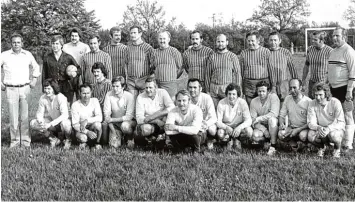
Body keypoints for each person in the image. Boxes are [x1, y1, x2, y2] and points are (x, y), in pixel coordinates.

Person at [1, 33, 41, 148]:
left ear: (22, 43)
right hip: (11, 89)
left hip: (25, 88)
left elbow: (36, 67)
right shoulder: (5, 55)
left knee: (24, 117)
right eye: (14, 42)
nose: (16, 44)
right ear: (11, 43)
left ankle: (25, 142)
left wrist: (34, 80)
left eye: (18, 42)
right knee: (13, 118)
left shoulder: (27, 54)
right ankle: (14, 142)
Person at [327, 27, 355, 151]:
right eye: (333, 35)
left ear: (344, 36)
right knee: (335, 115)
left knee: (348, 114)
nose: (334, 38)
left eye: (337, 36)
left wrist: (349, 90)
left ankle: (348, 144)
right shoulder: (333, 51)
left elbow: (353, 73)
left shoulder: (349, 51)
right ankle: (335, 140)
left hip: (345, 88)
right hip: (333, 89)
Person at [30, 79, 72, 149]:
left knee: (66, 123)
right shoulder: (43, 98)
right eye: (45, 88)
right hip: (51, 122)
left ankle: (68, 139)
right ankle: (53, 138)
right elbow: (39, 113)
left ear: (54, 88)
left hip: (61, 123)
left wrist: (51, 124)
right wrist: (40, 121)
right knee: (33, 123)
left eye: (49, 88)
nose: (46, 91)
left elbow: (65, 115)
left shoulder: (60, 97)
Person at [307, 82, 345, 158]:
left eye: (320, 95)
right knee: (310, 136)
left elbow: (340, 122)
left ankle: (337, 149)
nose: (317, 97)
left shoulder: (335, 102)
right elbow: (311, 122)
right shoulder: (312, 103)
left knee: (334, 135)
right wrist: (318, 127)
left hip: (334, 129)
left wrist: (329, 128)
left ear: (326, 94)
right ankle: (322, 147)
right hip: (320, 128)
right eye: (316, 95)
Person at [135, 78, 175, 146]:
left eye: (150, 87)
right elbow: (139, 119)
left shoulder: (162, 92)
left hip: (163, 120)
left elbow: (172, 107)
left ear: (156, 87)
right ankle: (150, 139)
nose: (148, 90)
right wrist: (155, 120)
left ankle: (168, 139)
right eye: (146, 87)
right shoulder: (140, 97)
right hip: (150, 123)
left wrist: (156, 115)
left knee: (169, 117)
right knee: (145, 129)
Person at [205, 34, 242, 107]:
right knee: (214, 112)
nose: (220, 44)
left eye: (222, 41)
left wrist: (237, 90)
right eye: (218, 41)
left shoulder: (232, 56)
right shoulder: (212, 57)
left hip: (227, 88)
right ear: (216, 42)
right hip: (214, 89)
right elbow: (208, 74)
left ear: (227, 42)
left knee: (227, 111)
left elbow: (237, 74)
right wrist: (207, 91)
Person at [42, 34, 80, 104]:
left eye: (57, 43)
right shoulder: (47, 58)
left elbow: (78, 69)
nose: (55, 46)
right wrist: (44, 87)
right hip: (53, 86)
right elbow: (44, 74)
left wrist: (75, 73)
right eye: (53, 43)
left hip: (66, 87)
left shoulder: (68, 57)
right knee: (54, 108)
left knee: (67, 107)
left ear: (61, 45)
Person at [216, 83, 253, 150]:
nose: (231, 96)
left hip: (239, 127)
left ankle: (238, 140)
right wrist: (226, 127)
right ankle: (229, 141)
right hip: (227, 127)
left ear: (238, 95)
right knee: (220, 133)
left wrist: (239, 127)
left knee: (249, 132)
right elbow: (218, 122)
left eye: (233, 94)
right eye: (229, 94)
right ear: (226, 94)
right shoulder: (221, 103)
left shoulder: (242, 103)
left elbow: (249, 120)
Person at [278, 79, 312, 151]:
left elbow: (310, 122)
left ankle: (307, 145)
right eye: (290, 88)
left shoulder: (308, 101)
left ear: (300, 88)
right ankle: (294, 145)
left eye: (294, 87)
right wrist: (282, 124)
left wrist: (298, 129)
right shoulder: (287, 98)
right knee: (281, 134)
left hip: (304, 128)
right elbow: (281, 115)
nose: (292, 90)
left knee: (303, 136)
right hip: (291, 127)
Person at [240, 31, 272, 105]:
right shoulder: (243, 53)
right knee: (251, 106)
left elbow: (271, 70)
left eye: (252, 41)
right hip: (249, 84)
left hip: (263, 82)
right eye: (248, 41)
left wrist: (272, 85)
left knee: (264, 106)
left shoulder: (266, 51)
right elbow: (240, 72)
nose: (250, 43)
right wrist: (241, 87)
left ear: (258, 41)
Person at [103, 76, 136, 148]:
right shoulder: (108, 94)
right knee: (114, 145)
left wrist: (112, 119)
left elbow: (129, 116)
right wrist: (114, 132)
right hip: (114, 125)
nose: (115, 89)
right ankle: (119, 136)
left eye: (117, 86)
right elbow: (107, 115)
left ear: (123, 86)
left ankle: (129, 137)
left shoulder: (129, 96)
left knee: (125, 126)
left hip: (128, 123)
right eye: (113, 86)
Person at [250, 80, 280, 156]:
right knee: (255, 136)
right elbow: (253, 120)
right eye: (259, 91)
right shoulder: (253, 101)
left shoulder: (273, 97)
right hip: (262, 126)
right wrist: (264, 130)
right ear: (256, 91)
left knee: (272, 120)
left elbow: (274, 114)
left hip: (274, 124)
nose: (261, 93)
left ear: (268, 91)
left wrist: (258, 118)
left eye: (263, 91)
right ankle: (266, 142)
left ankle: (273, 146)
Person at [151, 31, 183, 99]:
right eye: (160, 39)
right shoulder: (154, 52)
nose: (162, 41)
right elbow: (153, 68)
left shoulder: (174, 51)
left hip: (170, 85)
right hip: (158, 84)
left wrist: (172, 78)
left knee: (171, 105)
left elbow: (180, 68)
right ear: (158, 39)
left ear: (168, 39)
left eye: (164, 39)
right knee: (160, 104)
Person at [125, 25, 154, 100]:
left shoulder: (148, 48)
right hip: (131, 81)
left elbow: (153, 65)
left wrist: (149, 78)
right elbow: (125, 63)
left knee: (143, 103)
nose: (132, 35)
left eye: (134, 33)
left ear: (140, 34)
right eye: (131, 33)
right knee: (131, 103)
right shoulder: (128, 48)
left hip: (143, 80)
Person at [187, 78, 217, 150]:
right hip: (193, 124)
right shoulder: (186, 99)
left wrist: (206, 124)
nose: (192, 90)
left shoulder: (206, 98)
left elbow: (214, 117)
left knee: (212, 130)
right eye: (190, 87)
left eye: (195, 87)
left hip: (205, 124)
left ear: (200, 89)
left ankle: (210, 139)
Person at [301, 31, 333, 99]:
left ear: (322, 40)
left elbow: (333, 69)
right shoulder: (310, 49)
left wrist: (328, 82)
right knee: (312, 102)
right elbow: (306, 66)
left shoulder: (330, 51)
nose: (312, 41)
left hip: (324, 83)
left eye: (315, 39)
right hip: (312, 82)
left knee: (324, 102)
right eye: (312, 39)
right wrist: (303, 81)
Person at [268, 31, 298, 101]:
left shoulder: (285, 52)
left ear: (280, 41)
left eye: (275, 40)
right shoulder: (266, 52)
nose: (273, 42)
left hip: (283, 83)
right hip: (270, 83)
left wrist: (295, 82)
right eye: (271, 40)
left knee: (284, 103)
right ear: (268, 41)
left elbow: (292, 68)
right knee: (271, 103)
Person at [71, 83, 103, 150]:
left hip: (91, 126)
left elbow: (100, 117)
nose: (86, 96)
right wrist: (87, 132)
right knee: (83, 138)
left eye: (88, 93)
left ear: (91, 93)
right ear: (79, 93)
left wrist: (87, 120)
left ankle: (97, 143)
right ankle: (85, 143)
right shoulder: (75, 105)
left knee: (98, 124)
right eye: (84, 93)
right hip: (80, 129)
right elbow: (75, 124)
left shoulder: (95, 101)